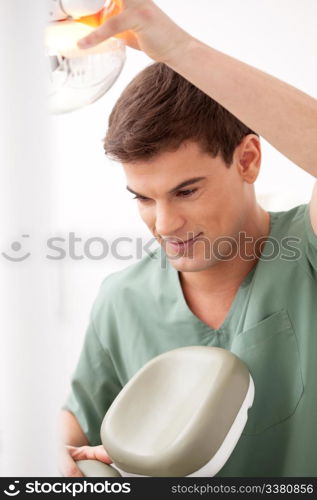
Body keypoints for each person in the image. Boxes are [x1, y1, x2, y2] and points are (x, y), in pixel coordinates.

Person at [59, 0, 317, 477]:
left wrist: (178, 48)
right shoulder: (123, 298)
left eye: (186, 191)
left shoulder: (307, 254)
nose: (164, 225)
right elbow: (74, 424)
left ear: (248, 160)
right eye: (143, 198)